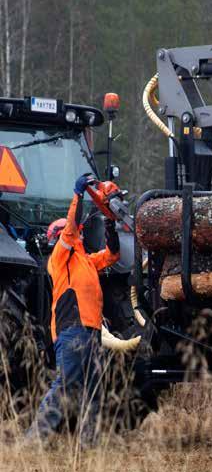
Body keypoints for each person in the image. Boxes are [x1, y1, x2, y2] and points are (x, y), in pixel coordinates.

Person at [26, 174, 120, 446]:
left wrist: (110, 222)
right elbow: (69, 231)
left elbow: (112, 255)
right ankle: (35, 439)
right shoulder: (59, 258)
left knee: (94, 389)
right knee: (66, 384)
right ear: (58, 237)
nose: (78, 231)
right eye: (73, 230)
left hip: (92, 332)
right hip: (72, 331)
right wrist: (77, 195)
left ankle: (89, 442)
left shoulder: (86, 261)